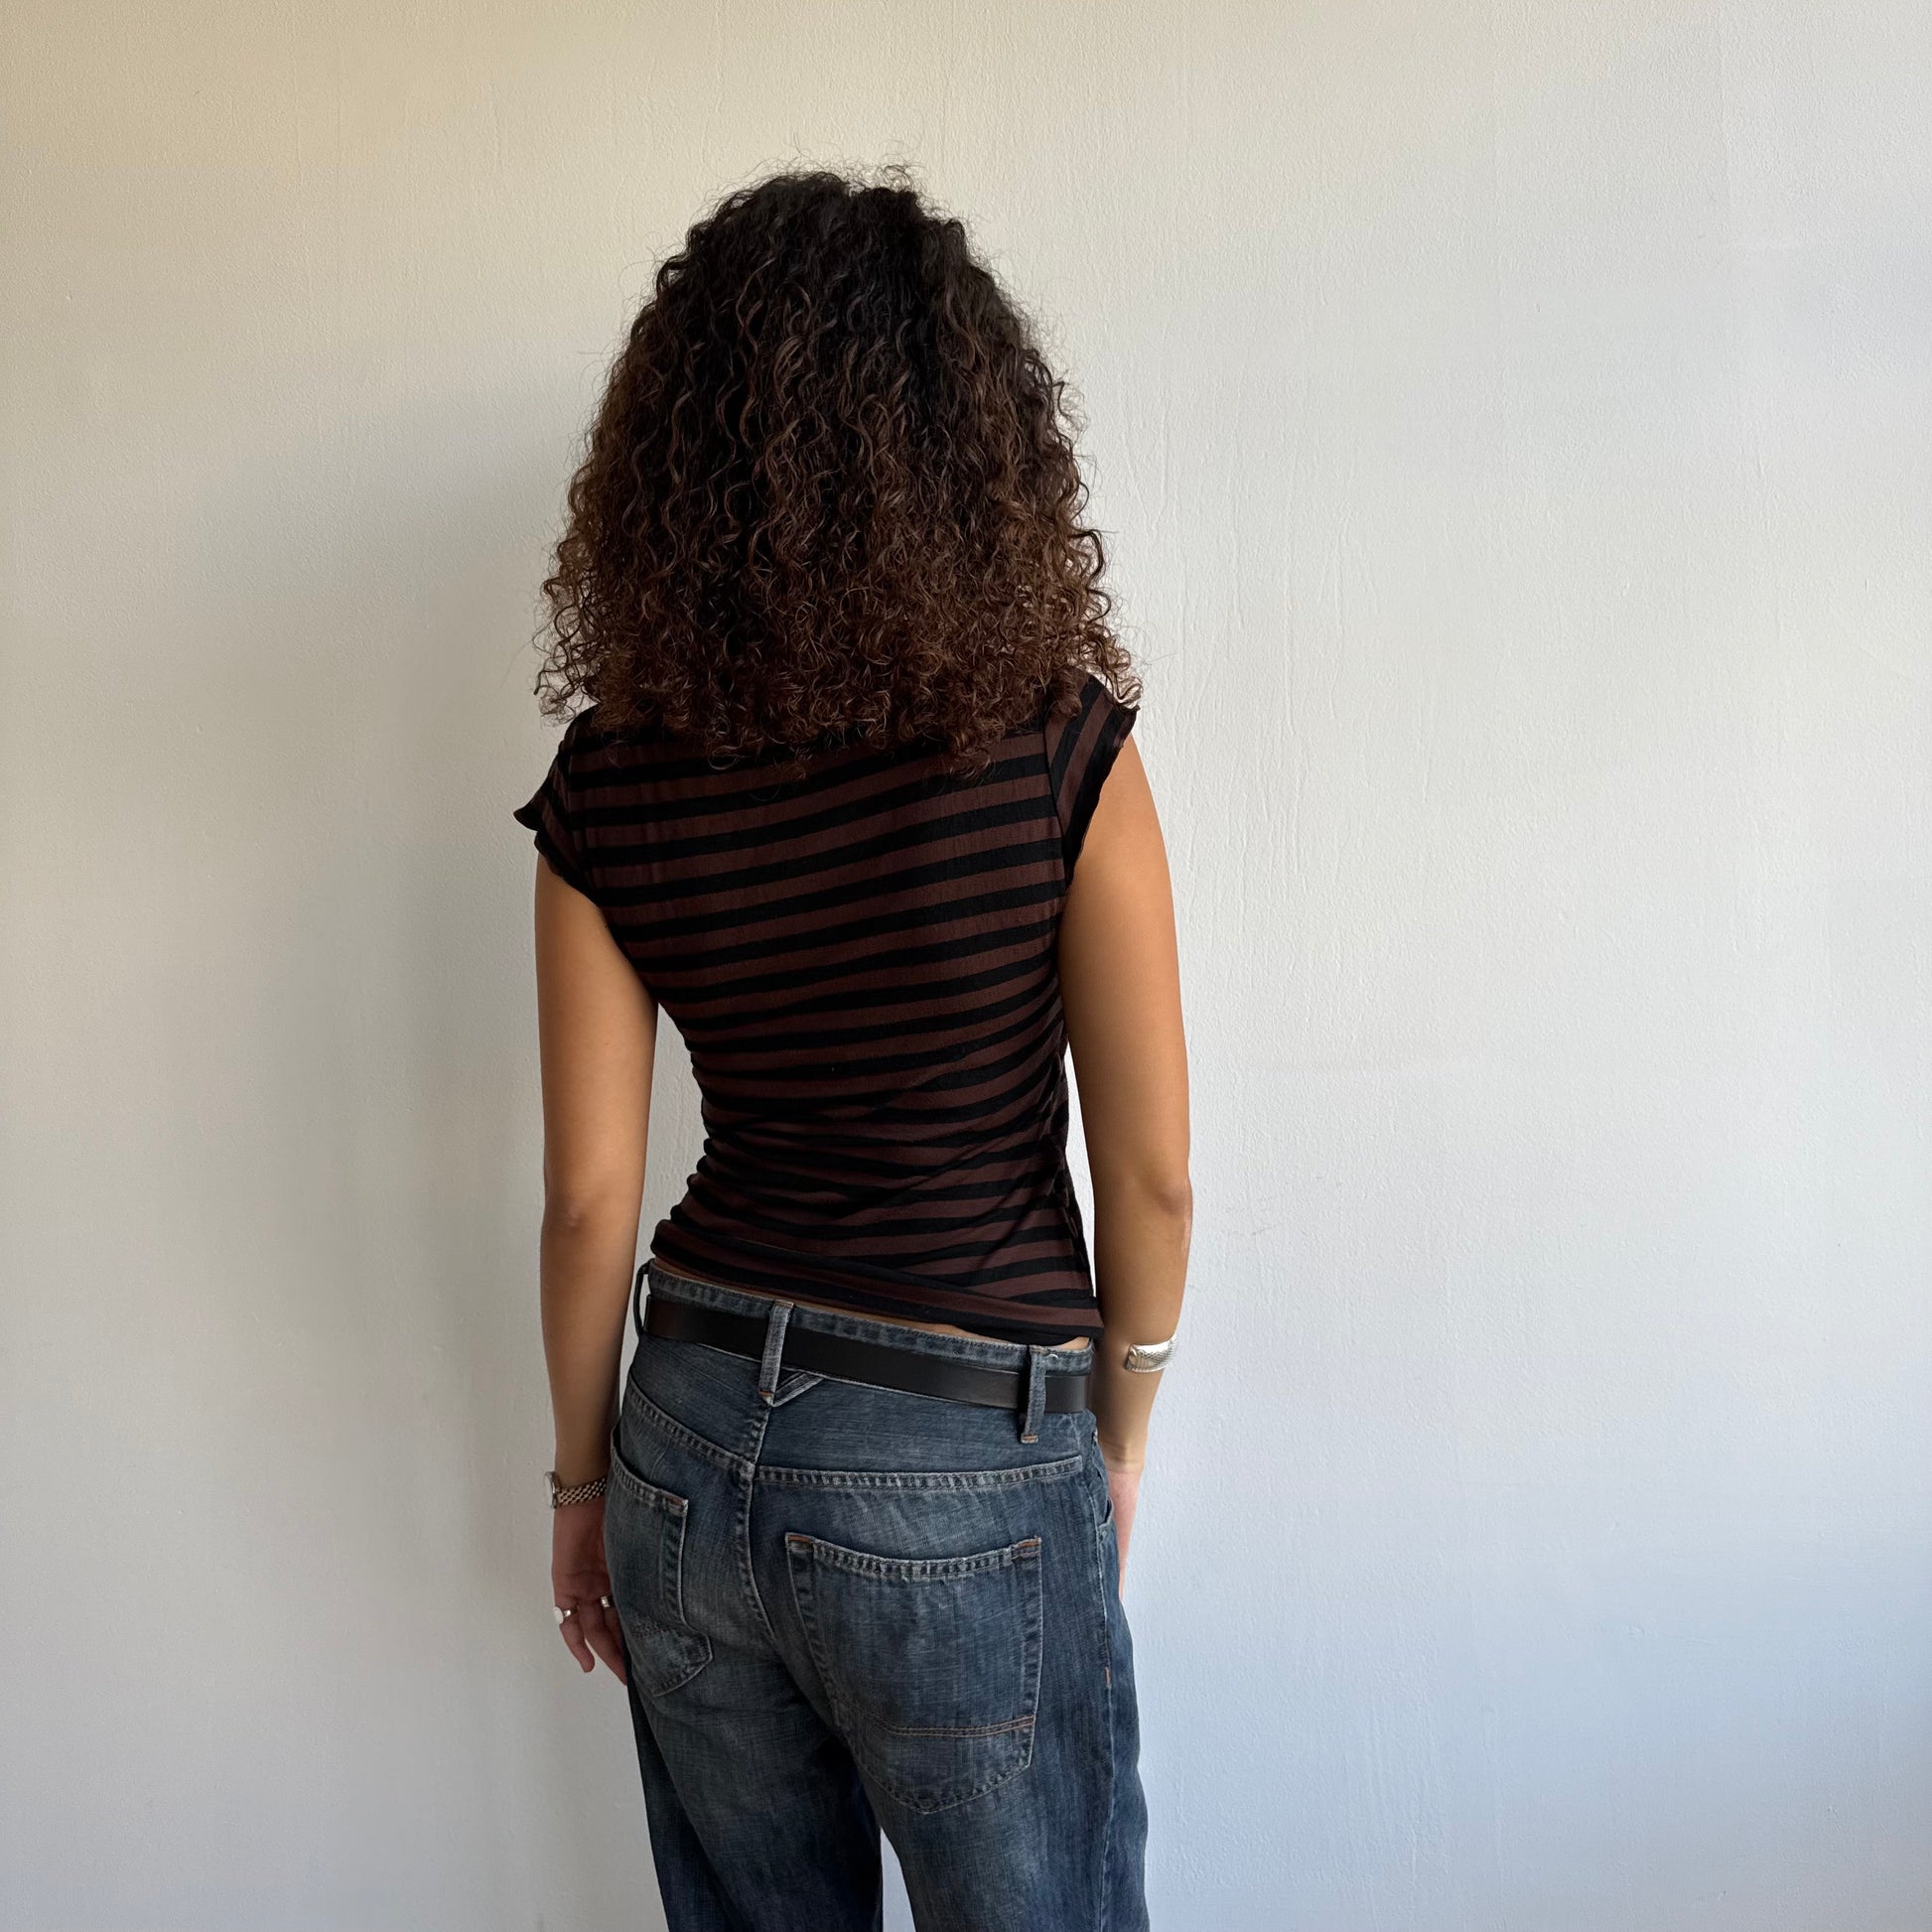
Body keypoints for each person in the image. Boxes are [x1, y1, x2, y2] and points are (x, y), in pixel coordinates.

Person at [513, 164, 1190, 1932]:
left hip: (683, 1430)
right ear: (974, 445)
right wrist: (1114, 1438)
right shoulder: (1057, 751)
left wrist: (584, 1486)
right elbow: (1153, 1182)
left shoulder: (611, 776)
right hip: (965, 1443)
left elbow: (587, 1200)